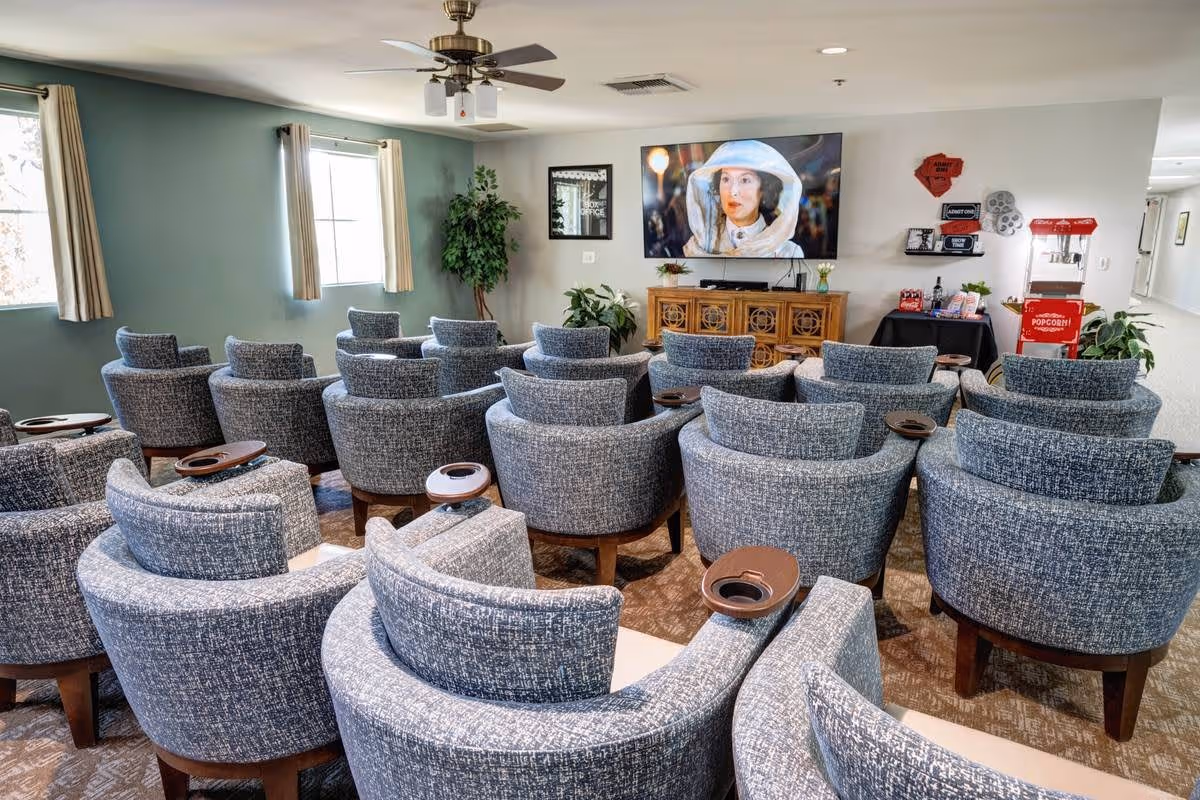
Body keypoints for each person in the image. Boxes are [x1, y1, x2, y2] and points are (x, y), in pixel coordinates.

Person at [683, 140, 805, 258]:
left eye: (745, 180)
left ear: (764, 188)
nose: (733, 192)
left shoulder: (787, 253)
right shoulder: (699, 246)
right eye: (726, 179)